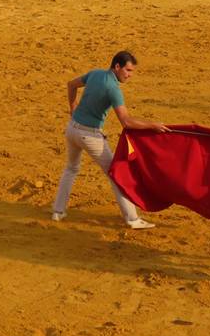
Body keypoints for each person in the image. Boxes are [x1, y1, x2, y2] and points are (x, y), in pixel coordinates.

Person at [51, 51, 168, 230]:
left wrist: (72, 107)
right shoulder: (113, 89)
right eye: (127, 70)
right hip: (90, 136)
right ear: (117, 66)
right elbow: (126, 122)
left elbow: (71, 85)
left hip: (71, 129)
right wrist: (153, 125)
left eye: (132, 72)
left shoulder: (95, 73)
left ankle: (58, 211)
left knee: (71, 168)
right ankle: (132, 219)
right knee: (116, 174)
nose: (129, 75)